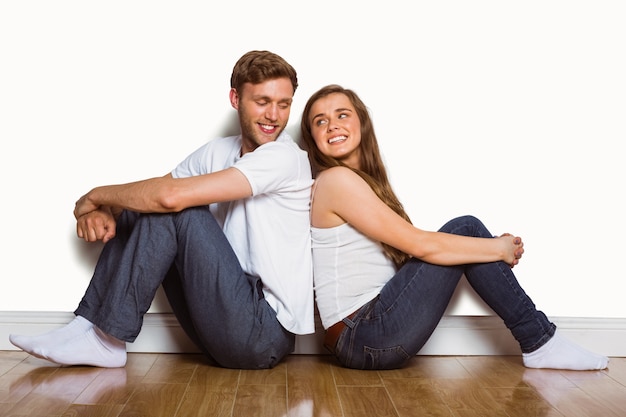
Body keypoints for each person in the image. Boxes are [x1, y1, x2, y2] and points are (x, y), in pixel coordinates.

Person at [9, 50, 315, 369]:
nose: (274, 116)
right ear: (235, 98)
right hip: (221, 324)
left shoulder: (285, 158)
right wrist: (100, 209)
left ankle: (105, 340)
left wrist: (94, 195)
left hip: (262, 334)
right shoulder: (218, 151)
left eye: (284, 104)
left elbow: (169, 197)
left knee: (176, 206)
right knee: (144, 203)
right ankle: (87, 329)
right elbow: (151, 193)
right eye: (262, 101)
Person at [299, 84, 609, 371]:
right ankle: (540, 341)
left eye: (342, 115)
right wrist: (493, 248)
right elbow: (421, 246)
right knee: (466, 228)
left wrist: (486, 249)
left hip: (366, 335)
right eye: (320, 121)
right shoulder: (336, 181)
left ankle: (540, 341)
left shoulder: (361, 183)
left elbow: (411, 258)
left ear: (361, 124)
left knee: (467, 235)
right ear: (312, 137)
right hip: (365, 334)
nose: (333, 125)